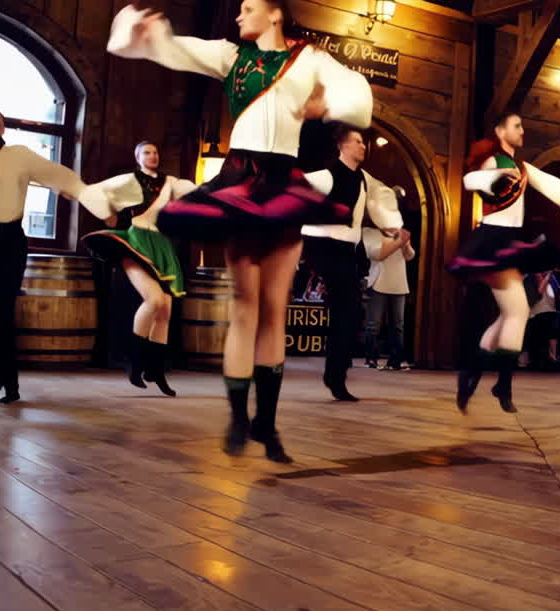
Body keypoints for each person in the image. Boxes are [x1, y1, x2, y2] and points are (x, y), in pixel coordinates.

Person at [107, 0, 372, 462]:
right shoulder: (232, 57)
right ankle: (237, 418)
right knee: (245, 306)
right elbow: (171, 48)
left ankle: (266, 425)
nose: (237, 14)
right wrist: (145, 29)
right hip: (239, 183)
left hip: (284, 186)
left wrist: (331, 105)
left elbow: (355, 90)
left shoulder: (310, 59)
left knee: (274, 309)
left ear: (274, 13)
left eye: (247, 7)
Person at [0, 108, 112, 404]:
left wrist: (82, 192)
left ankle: (9, 384)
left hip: (11, 240)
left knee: (3, 309)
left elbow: (57, 174)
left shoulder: (20, 155)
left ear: (3, 127)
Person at [448, 112, 560, 413]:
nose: (522, 130)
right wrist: (493, 178)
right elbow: (471, 179)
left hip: (510, 242)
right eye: (516, 126)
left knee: (510, 314)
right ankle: (498, 381)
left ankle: (475, 374)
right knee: (516, 312)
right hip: (494, 242)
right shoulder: (495, 161)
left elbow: (550, 185)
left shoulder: (520, 166)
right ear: (500, 130)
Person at [85, 140, 196, 396]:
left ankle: (155, 370)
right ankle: (136, 363)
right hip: (135, 241)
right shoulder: (128, 181)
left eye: (156, 152)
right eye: (147, 152)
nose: (153, 155)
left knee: (166, 308)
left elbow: (197, 196)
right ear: (137, 157)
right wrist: (107, 213)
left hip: (161, 245)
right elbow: (97, 193)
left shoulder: (171, 183)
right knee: (155, 300)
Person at [301, 126, 402, 399]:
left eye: (363, 142)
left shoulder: (364, 179)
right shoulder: (325, 176)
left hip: (348, 252)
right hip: (325, 249)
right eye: (357, 142)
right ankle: (335, 377)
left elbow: (379, 201)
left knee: (351, 315)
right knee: (347, 314)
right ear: (343, 146)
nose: (363, 147)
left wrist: (393, 227)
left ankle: (336, 373)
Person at [364, 226, 415, 370]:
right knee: (373, 325)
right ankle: (371, 358)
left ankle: (395, 360)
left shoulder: (400, 232)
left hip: (399, 283)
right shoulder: (369, 231)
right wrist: (398, 241)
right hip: (379, 281)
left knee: (398, 325)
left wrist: (405, 244)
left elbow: (410, 255)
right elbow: (376, 254)